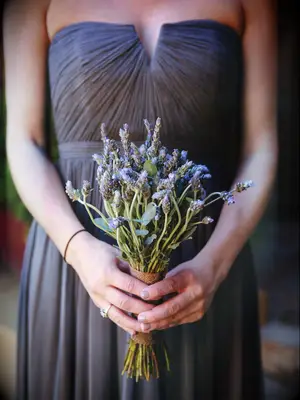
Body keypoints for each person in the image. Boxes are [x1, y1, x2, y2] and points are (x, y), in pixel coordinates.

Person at [3, 0, 277, 399]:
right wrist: (78, 250)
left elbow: (262, 147)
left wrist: (214, 266)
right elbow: (23, 141)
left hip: (208, 264)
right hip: (75, 264)